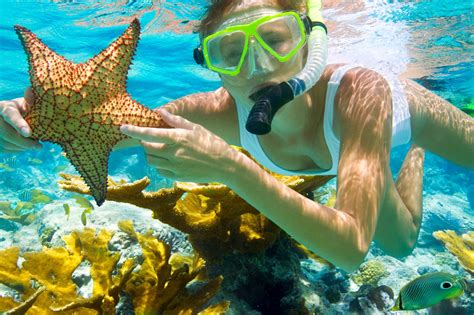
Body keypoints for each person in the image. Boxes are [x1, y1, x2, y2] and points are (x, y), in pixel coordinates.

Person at [0, 0, 472, 272]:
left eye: (276, 38)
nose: (259, 66)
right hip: (354, 153)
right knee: (403, 244)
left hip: (402, 115)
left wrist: (231, 166)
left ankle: (418, 144)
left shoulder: (360, 90)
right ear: (212, 67)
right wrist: (23, 121)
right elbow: (94, 126)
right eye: (230, 50)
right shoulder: (212, 113)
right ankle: (414, 161)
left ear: (310, 42)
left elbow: (349, 251)